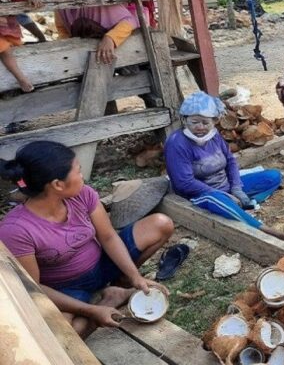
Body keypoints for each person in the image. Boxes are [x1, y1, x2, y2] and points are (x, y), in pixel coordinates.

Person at [0, 141, 174, 337]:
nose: (82, 177)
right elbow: (35, 288)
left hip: (101, 265)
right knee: (65, 335)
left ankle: (121, 282)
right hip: (67, 287)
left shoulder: (82, 195)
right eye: (78, 171)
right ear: (58, 184)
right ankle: (109, 299)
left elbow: (108, 237)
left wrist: (135, 276)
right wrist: (91, 311)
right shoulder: (16, 230)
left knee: (160, 224)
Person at [164, 92, 284, 241]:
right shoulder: (176, 143)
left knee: (273, 176)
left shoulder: (214, 135)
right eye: (194, 122)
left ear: (214, 121)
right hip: (200, 194)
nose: (200, 127)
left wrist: (236, 187)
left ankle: (239, 205)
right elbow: (184, 183)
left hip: (226, 187)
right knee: (217, 200)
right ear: (185, 120)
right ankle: (260, 228)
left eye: (205, 123)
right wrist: (225, 195)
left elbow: (230, 161)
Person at [52, 0, 139, 64]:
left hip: (110, 49)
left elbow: (131, 21)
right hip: (81, 51)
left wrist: (110, 38)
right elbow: (62, 28)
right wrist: (68, 48)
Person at [0, 0, 43, 92]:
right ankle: (22, 80)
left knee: (16, 50)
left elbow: (21, 0)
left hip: (9, 31)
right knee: (5, 49)